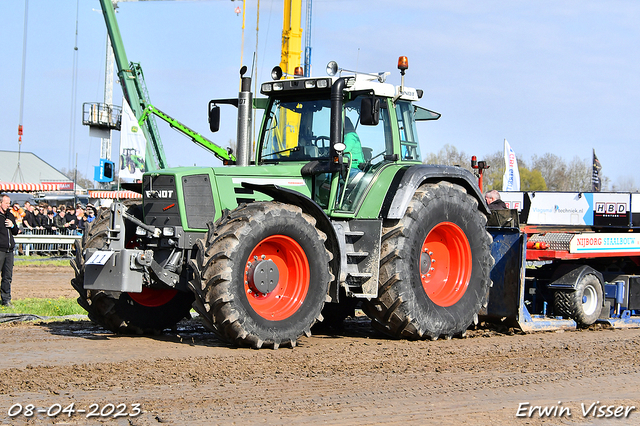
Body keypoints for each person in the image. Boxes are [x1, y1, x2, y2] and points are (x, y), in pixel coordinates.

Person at [0, 194, 19, 307]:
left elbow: (16, 231)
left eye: (9, 203)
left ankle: (6, 300)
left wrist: (12, 226)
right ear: (0, 203)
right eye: (6, 203)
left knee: (7, 276)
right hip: (0, 250)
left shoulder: (10, 215)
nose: (8, 205)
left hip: (9, 250)